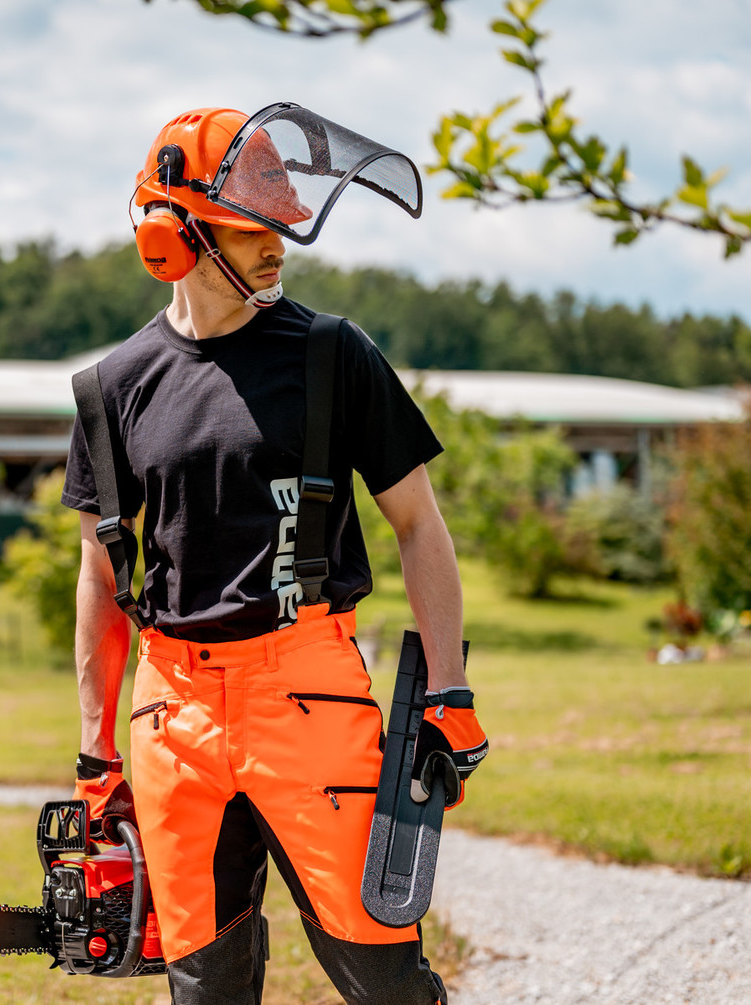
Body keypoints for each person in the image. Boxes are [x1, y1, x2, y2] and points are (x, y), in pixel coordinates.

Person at [61, 106, 488, 1004]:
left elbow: (418, 523)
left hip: (309, 694)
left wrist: (447, 690)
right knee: (201, 985)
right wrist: (97, 748)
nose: (276, 249)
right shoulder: (112, 389)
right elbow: (101, 575)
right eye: (251, 231)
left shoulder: (333, 355)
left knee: (382, 976)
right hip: (170, 711)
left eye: (280, 230)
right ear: (169, 239)